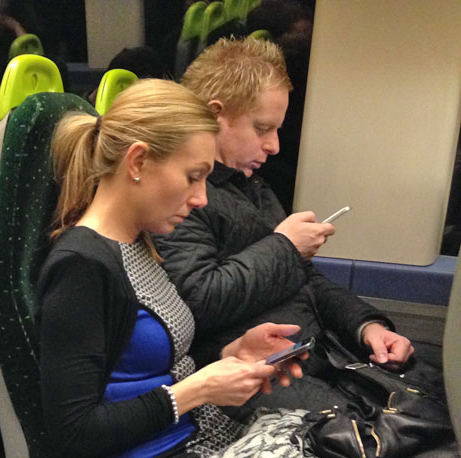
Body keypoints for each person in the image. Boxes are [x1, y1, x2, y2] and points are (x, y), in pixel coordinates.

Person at [37, 78, 344, 458]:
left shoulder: (137, 243)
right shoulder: (82, 266)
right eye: (193, 176)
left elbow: (147, 366)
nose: (201, 198)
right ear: (138, 162)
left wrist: (233, 355)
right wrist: (197, 390)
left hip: (186, 438)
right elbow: (74, 431)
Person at [154, 38, 423, 412]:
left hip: (314, 356)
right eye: (262, 128)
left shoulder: (248, 186)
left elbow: (304, 280)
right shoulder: (182, 197)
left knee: (425, 402)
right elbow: (197, 302)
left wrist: (367, 327)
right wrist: (285, 247)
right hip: (251, 377)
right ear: (217, 116)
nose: (275, 146)